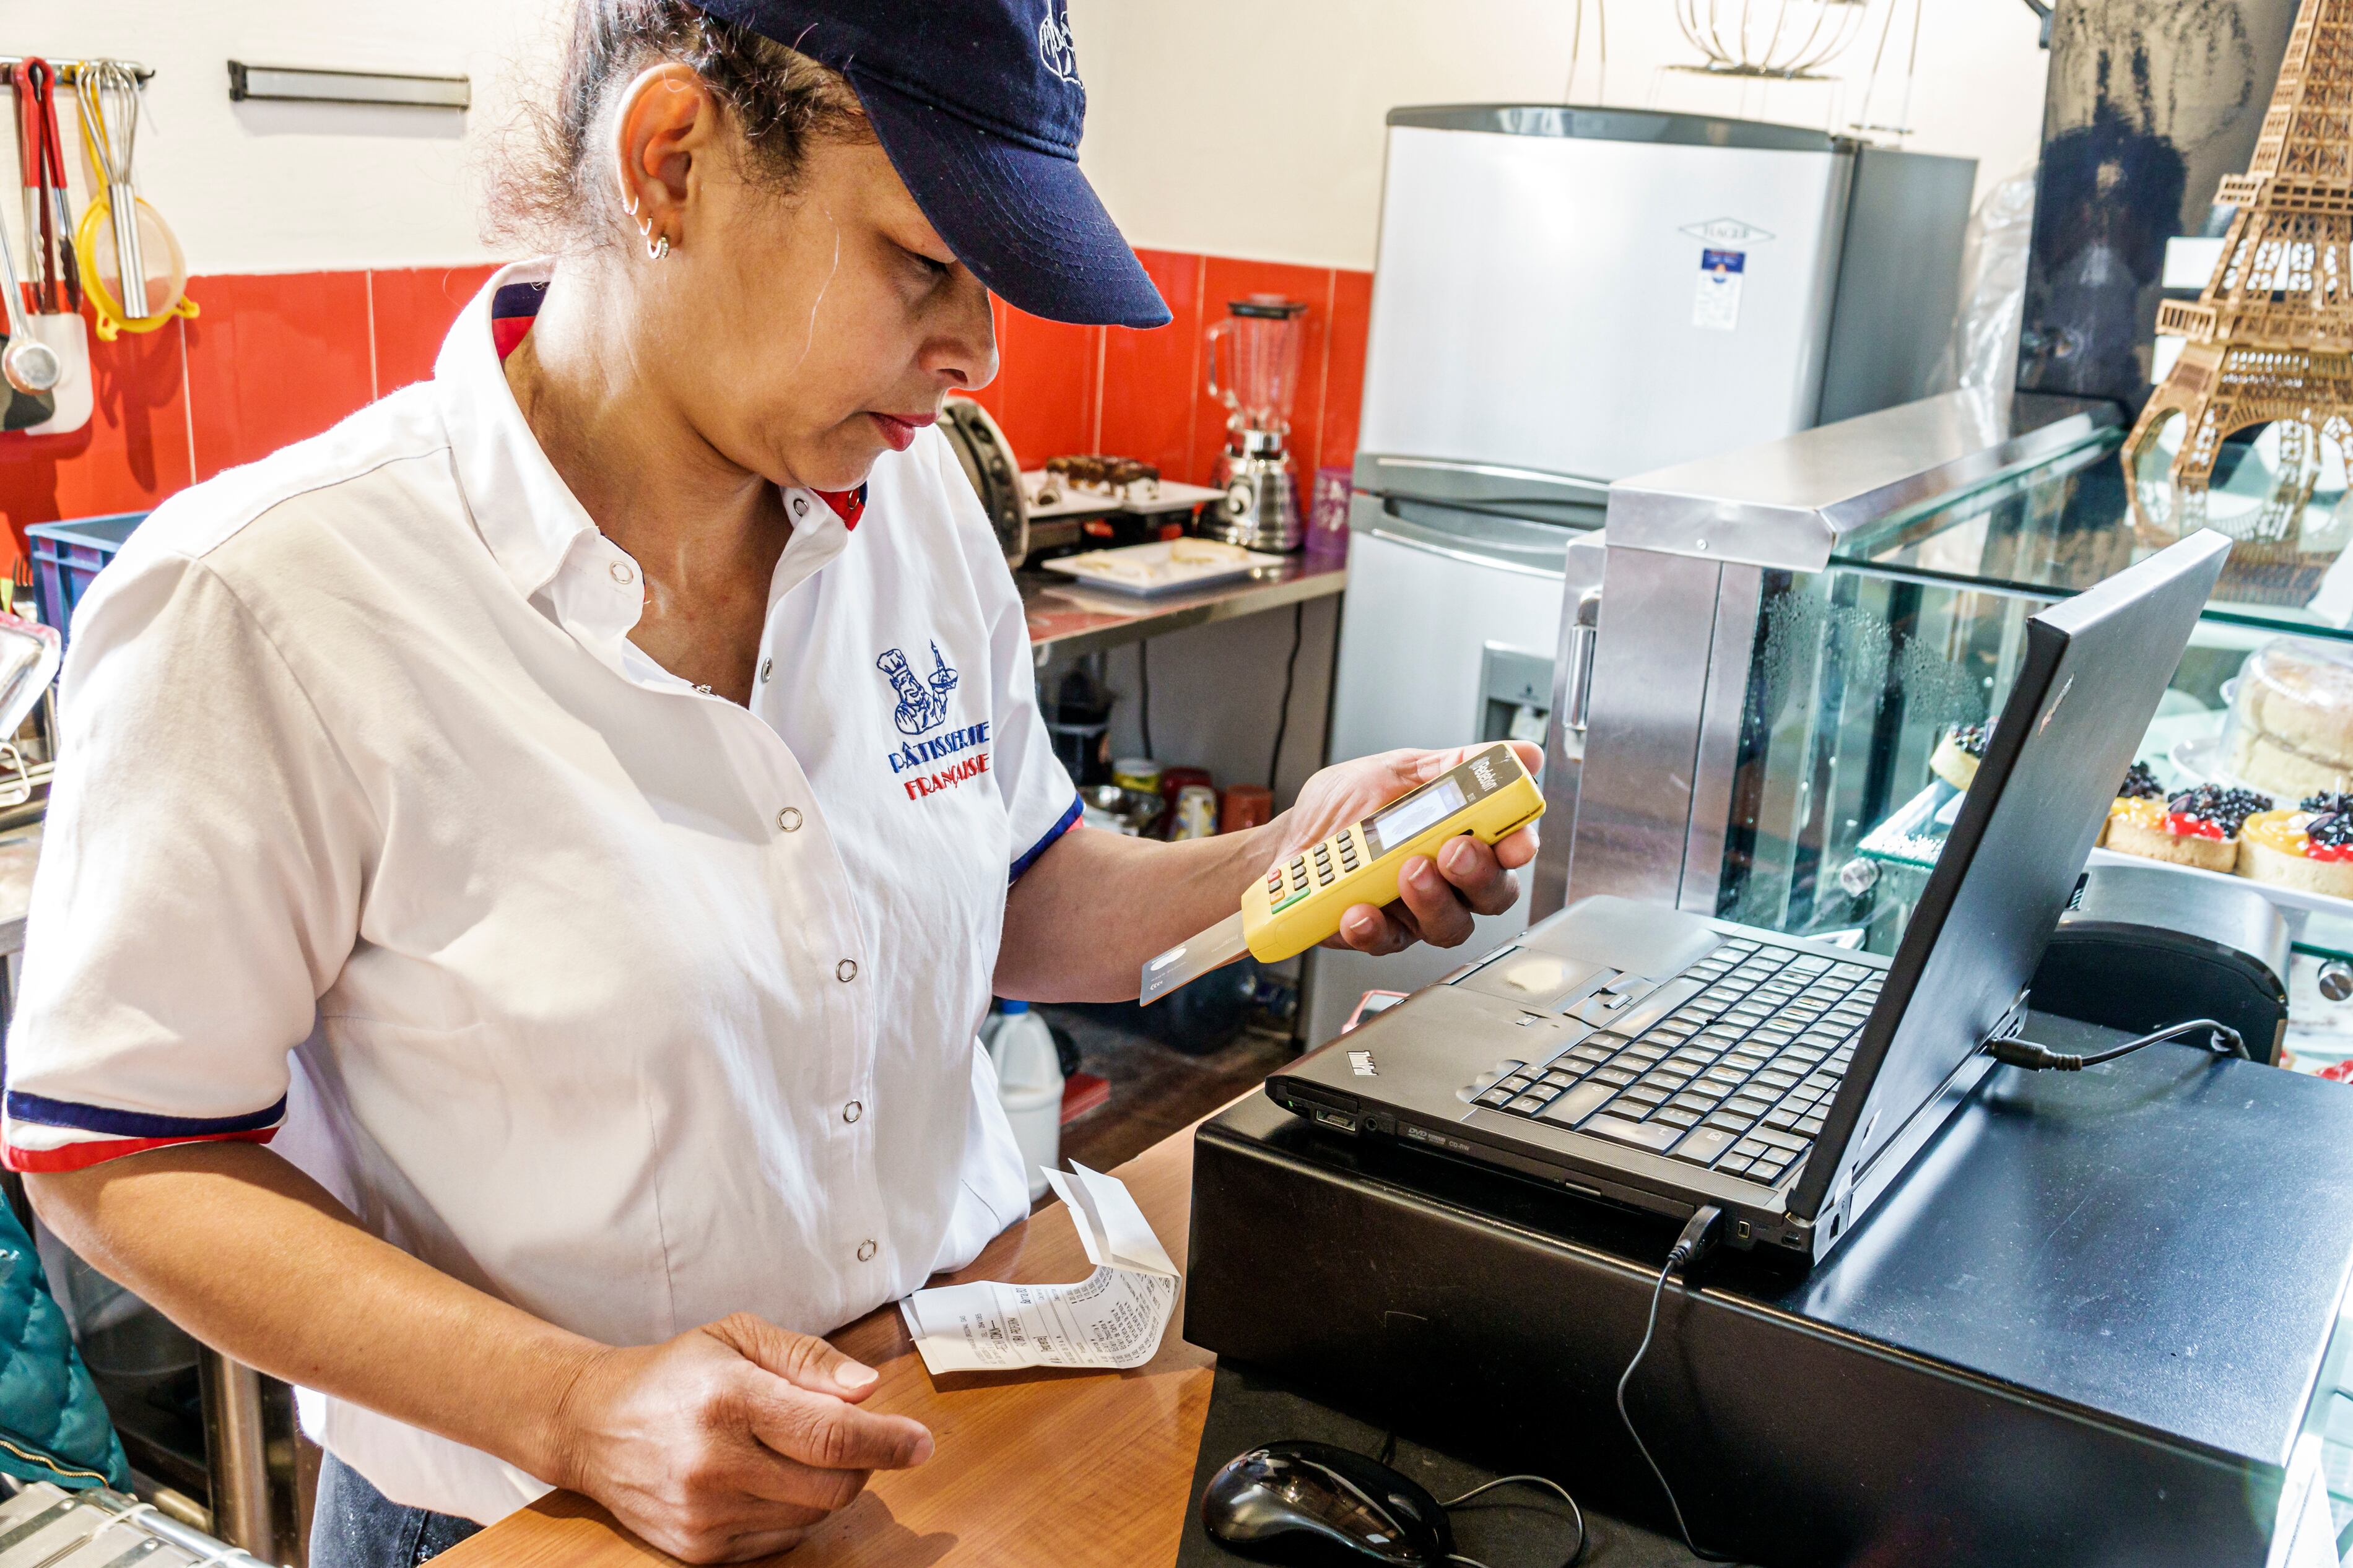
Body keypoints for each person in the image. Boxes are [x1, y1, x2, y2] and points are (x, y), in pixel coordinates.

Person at [2, 3, 1541, 1564]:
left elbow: (1025, 895)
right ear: (672, 161)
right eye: (921, 262)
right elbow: (121, 1155)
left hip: (937, 1417)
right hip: (538, 1514)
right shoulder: (270, 597)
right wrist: (576, 1403)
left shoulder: (913, 494)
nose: (978, 352)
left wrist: (1293, 859)